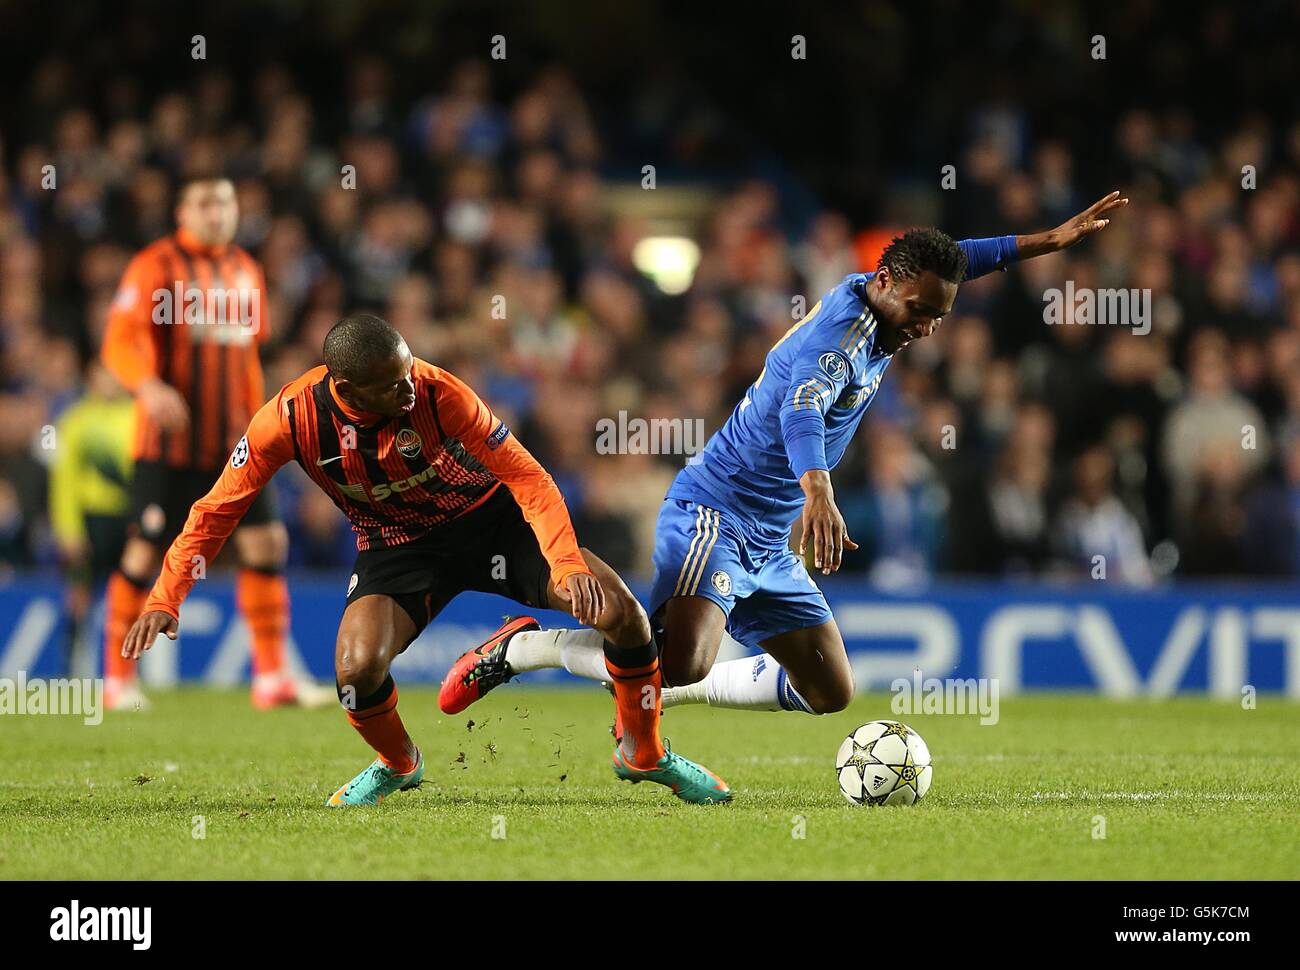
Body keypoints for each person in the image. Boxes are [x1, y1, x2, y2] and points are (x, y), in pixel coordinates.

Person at [439, 193, 1128, 734]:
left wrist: (1048, 241)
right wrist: (819, 492)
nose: (926, 327)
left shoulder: (893, 294)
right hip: (717, 509)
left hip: (767, 534)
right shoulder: (844, 341)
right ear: (886, 283)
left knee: (827, 691)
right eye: (921, 312)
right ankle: (523, 649)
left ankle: (658, 694)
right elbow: (803, 410)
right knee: (676, 662)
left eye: (938, 317)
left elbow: (954, 259)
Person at [120, 314, 730, 807]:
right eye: (392, 384)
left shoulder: (439, 392)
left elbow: (528, 476)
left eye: (409, 370)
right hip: (396, 546)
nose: (409, 386)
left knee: (621, 612)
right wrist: (165, 596)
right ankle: (398, 763)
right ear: (348, 390)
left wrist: (565, 564)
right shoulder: (289, 419)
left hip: (494, 525)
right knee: (355, 670)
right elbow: (215, 510)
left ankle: (643, 753)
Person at [100, 176, 299, 711]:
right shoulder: (155, 266)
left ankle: (271, 677)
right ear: (182, 210)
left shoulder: (245, 270)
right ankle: (117, 679)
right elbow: (119, 339)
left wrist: (263, 423)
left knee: (267, 544)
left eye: (226, 203)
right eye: (206, 203)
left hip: (234, 445)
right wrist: (147, 385)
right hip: (168, 445)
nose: (217, 213)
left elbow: (248, 356)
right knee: (145, 551)